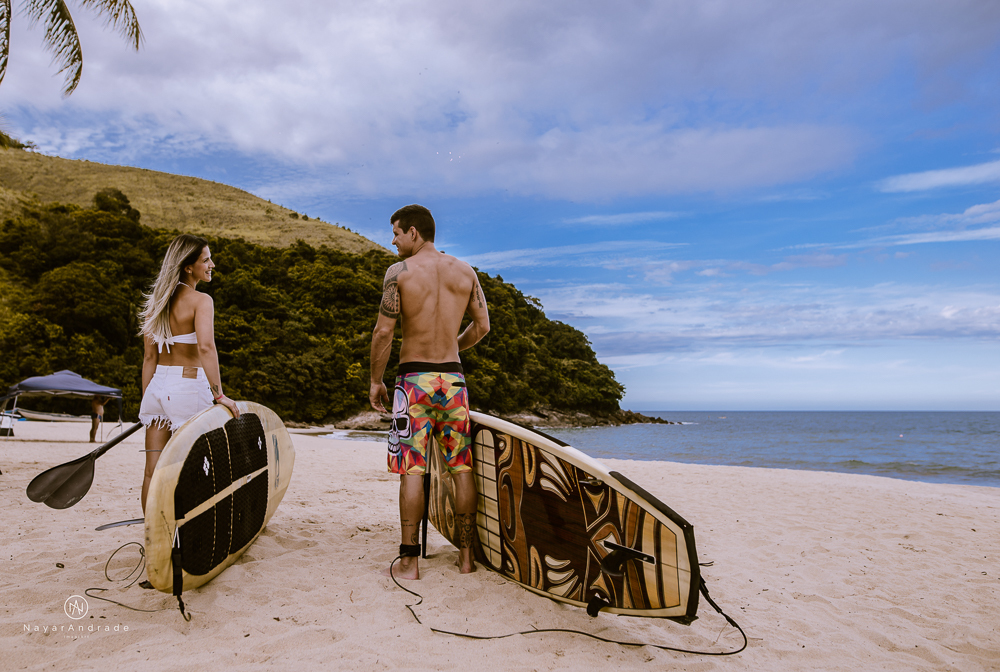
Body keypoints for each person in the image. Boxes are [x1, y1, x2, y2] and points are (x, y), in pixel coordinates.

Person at [370, 204, 490, 580]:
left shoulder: (399, 273)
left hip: (413, 382)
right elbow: (483, 326)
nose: (393, 241)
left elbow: (384, 332)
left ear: (414, 233)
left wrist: (375, 380)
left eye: (396, 233)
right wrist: (451, 345)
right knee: (461, 467)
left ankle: (409, 561)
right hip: (453, 383)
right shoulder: (465, 271)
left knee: (411, 469)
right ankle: (466, 558)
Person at [137, 234, 240, 514]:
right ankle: (191, 534)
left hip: (157, 387)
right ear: (187, 267)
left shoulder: (155, 304)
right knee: (198, 469)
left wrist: (148, 400)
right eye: (206, 260)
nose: (212, 264)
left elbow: (149, 357)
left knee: (152, 472)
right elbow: (206, 348)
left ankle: (155, 539)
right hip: (187, 387)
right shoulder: (200, 300)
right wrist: (219, 395)